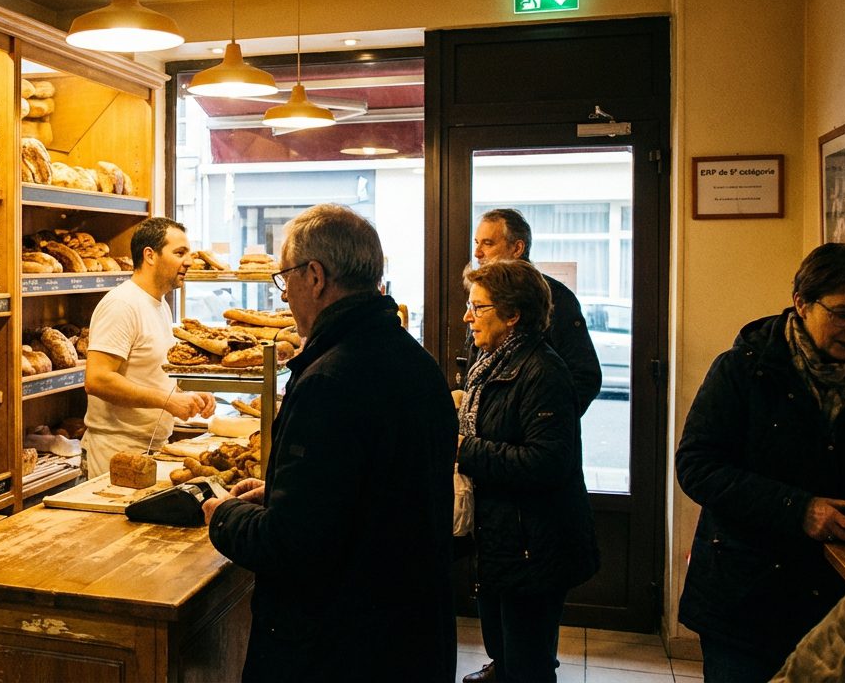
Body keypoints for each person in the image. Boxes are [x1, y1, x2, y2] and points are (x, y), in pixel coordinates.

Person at [200, 203, 457, 681]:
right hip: (410, 636)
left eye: (285, 280)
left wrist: (225, 517)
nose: (284, 298)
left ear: (315, 276)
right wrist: (279, 492)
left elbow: (294, 546)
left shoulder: (330, 380)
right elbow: (372, 494)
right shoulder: (416, 362)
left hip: (338, 647)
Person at [676, 242, 845, 682]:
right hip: (745, 599)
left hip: (836, 607)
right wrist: (799, 509)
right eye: (843, 314)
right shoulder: (741, 370)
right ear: (802, 304)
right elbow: (697, 466)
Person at [456, 258, 600, 683]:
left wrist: (465, 450)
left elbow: (546, 462)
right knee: (504, 652)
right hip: (504, 539)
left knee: (527, 666)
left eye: (479, 308)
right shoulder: (492, 364)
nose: (468, 317)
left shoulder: (543, 370)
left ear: (514, 314)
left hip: (534, 547)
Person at [82, 217, 215, 477]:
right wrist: (167, 401)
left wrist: (189, 393)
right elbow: (97, 379)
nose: (188, 261)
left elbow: (152, 371)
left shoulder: (159, 304)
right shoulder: (122, 304)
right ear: (150, 255)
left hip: (150, 447)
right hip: (116, 452)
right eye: (179, 253)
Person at [460, 209, 602, 414]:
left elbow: (585, 376)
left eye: (488, 243)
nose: (477, 253)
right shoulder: (482, 295)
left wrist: (542, 418)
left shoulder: (555, 298)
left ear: (517, 248)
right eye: (476, 242)